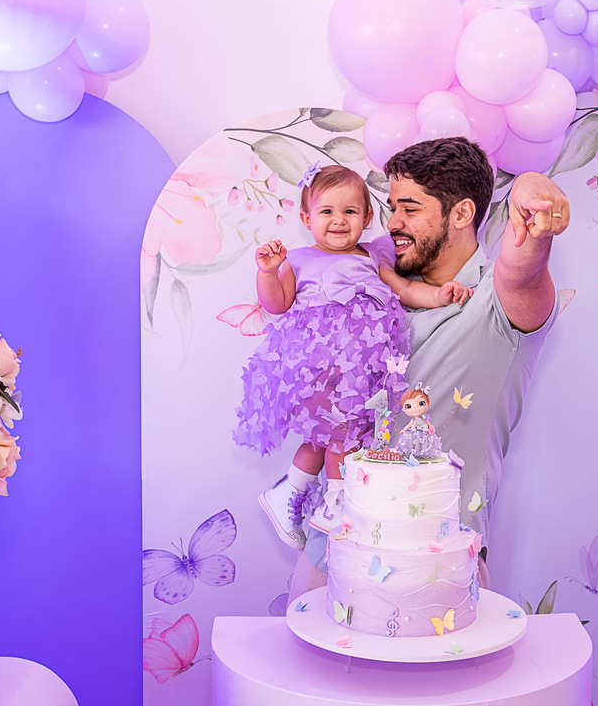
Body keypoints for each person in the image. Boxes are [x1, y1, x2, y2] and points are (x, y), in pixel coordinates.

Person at [291, 136, 569, 599]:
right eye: (389, 207)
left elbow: (523, 267)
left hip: (435, 574)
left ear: (461, 214)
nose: (391, 223)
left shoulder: (497, 305)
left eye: (409, 208)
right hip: (329, 552)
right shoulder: (375, 284)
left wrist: (531, 188)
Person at [234, 163, 472, 550]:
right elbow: (276, 305)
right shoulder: (298, 259)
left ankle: (289, 491)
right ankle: (336, 505)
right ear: (305, 217)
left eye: (350, 212)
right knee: (339, 435)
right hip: (318, 368)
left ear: (366, 217)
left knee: (331, 437)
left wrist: (440, 294)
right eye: (327, 211)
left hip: (361, 376)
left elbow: (405, 292)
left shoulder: (373, 258)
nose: (339, 220)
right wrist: (267, 272)